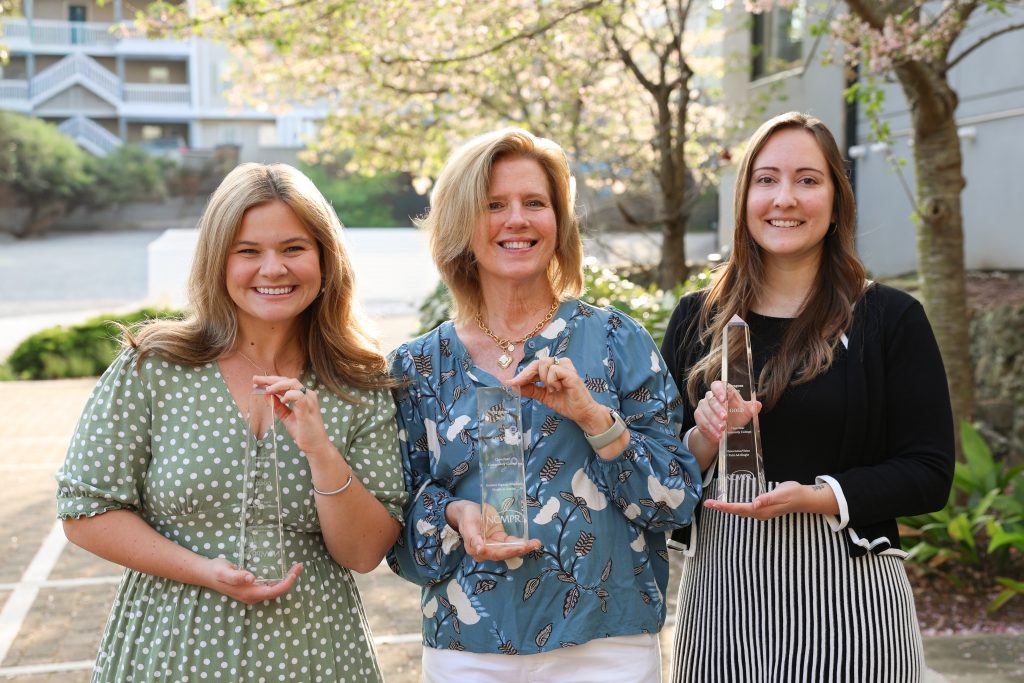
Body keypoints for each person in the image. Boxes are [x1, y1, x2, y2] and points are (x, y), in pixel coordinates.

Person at [56, 163, 407, 682]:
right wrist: (205, 572)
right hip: (172, 649)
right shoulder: (153, 368)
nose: (273, 269)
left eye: (294, 248)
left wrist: (321, 452)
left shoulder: (358, 381)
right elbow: (84, 511)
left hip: (314, 652)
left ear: (325, 259)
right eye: (248, 251)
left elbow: (363, 552)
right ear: (218, 261)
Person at [388, 128, 702, 682]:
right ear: (461, 224)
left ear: (558, 223)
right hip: (469, 649)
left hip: (609, 645)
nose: (517, 220)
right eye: (494, 205)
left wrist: (595, 419)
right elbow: (397, 536)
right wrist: (455, 515)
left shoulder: (615, 342)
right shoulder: (418, 367)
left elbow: (674, 502)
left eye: (535, 203)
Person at [662, 111, 955, 682]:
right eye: (766, 179)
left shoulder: (887, 319)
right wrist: (702, 437)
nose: (785, 199)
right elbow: (655, 478)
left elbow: (929, 471)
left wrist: (820, 497)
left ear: (837, 197)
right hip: (721, 613)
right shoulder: (699, 318)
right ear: (744, 195)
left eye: (807, 179)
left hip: (854, 610)